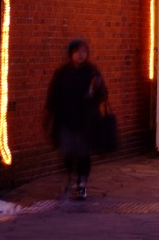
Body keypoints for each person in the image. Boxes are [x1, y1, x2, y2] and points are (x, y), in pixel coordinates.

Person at [45, 39, 107, 200]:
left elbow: (102, 95)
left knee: (83, 153)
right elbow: (54, 95)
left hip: (86, 121)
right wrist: (49, 115)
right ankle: (70, 177)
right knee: (68, 152)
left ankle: (82, 183)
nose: (81, 55)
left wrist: (95, 89)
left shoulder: (92, 72)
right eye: (77, 51)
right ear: (71, 53)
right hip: (66, 120)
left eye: (84, 52)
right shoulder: (62, 73)